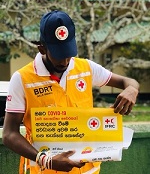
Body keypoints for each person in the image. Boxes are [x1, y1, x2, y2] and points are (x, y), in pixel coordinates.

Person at [2, 10, 139, 174]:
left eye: (69, 53)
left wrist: (131, 90)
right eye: (59, 55)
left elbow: (129, 82)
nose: (65, 61)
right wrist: (47, 160)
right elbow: (9, 134)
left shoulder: (86, 68)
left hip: (88, 170)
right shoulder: (22, 79)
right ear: (42, 48)